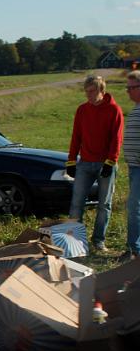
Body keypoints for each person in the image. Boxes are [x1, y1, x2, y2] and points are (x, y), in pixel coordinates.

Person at [65, 75, 124, 252]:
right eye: (86, 92)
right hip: (85, 163)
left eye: (92, 91)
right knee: (76, 203)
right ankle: (75, 241)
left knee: (104, 204)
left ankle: (98, 241)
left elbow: (117, 139)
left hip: (105, 164)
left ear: (101, 91)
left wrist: (110, 162)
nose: (88, 95)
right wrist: (71, 160)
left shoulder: (114, 110)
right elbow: (76, 136)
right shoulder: (82, 110)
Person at [123, 70, 140, 261]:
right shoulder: (136, 108)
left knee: (134, 207)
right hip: (134, 167)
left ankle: (134, 250)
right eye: (127, 88)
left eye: (131, 88)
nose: (128, 91)